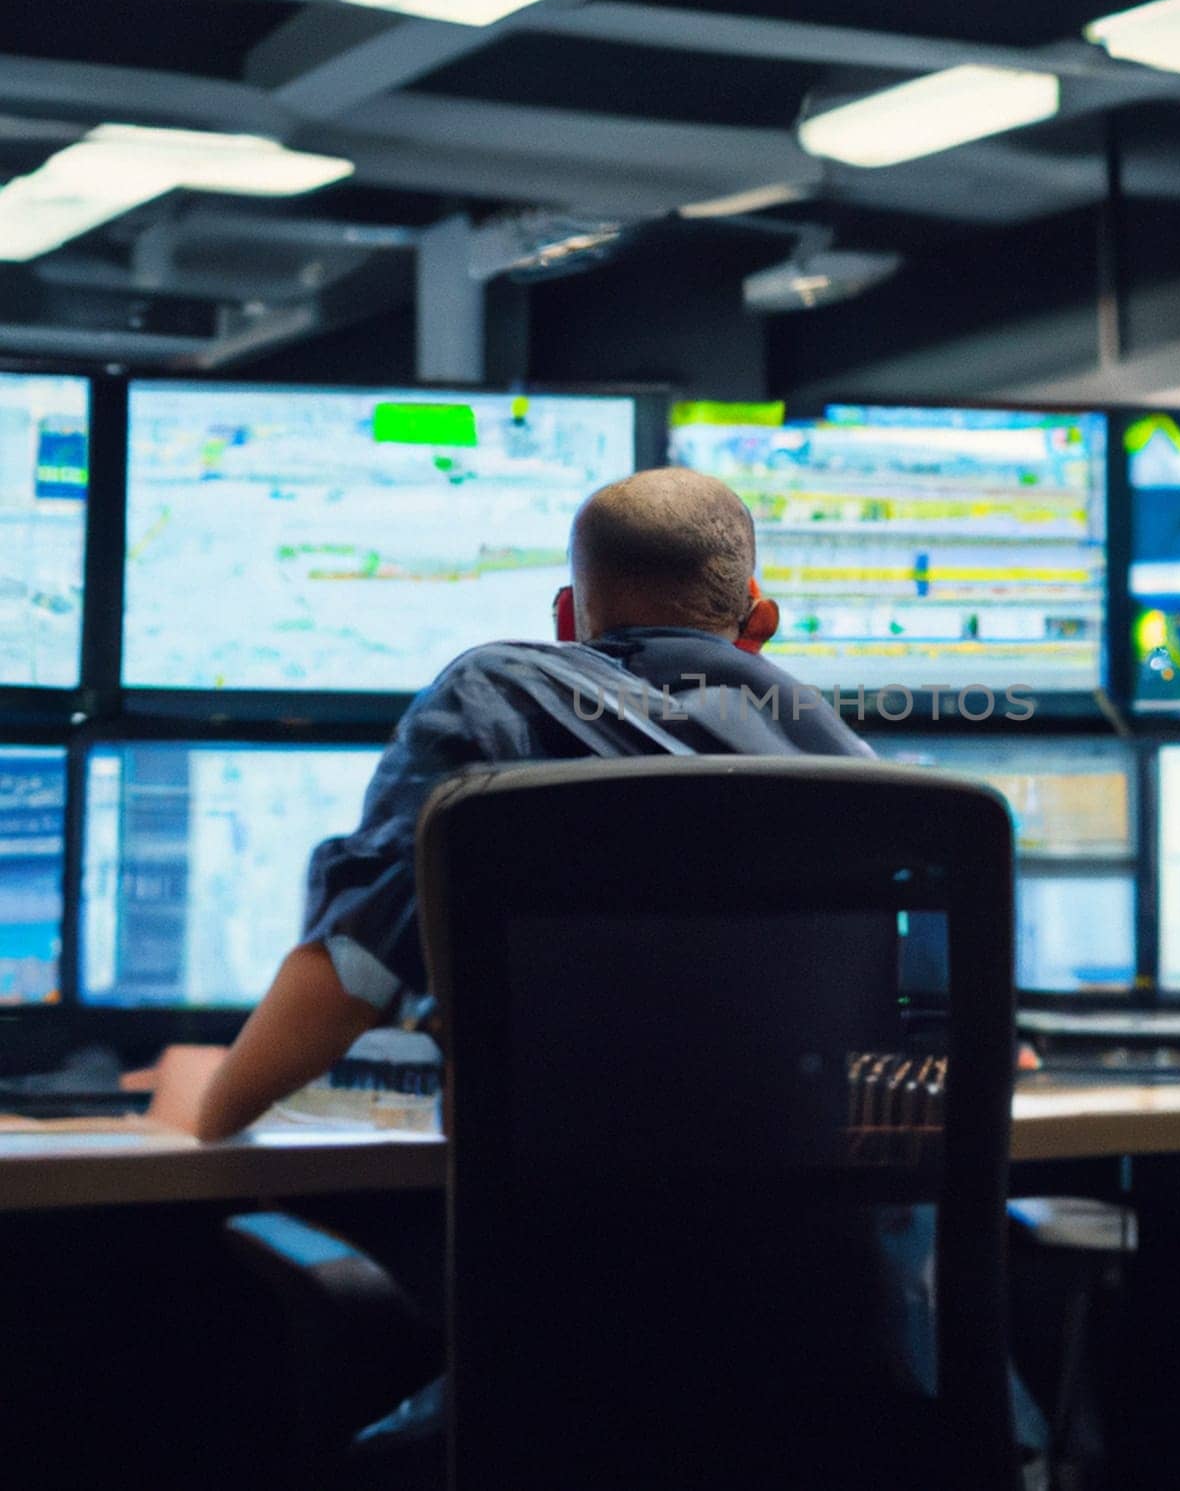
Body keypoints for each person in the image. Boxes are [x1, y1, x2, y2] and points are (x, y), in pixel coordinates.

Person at [161, 466, 872, 1142]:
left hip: (560, 1250)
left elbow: (357, 965)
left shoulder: (494, 698)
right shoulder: (853, 770)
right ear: (761, 619)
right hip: (834, 1255)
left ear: (567, 617)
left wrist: (216, 1095)